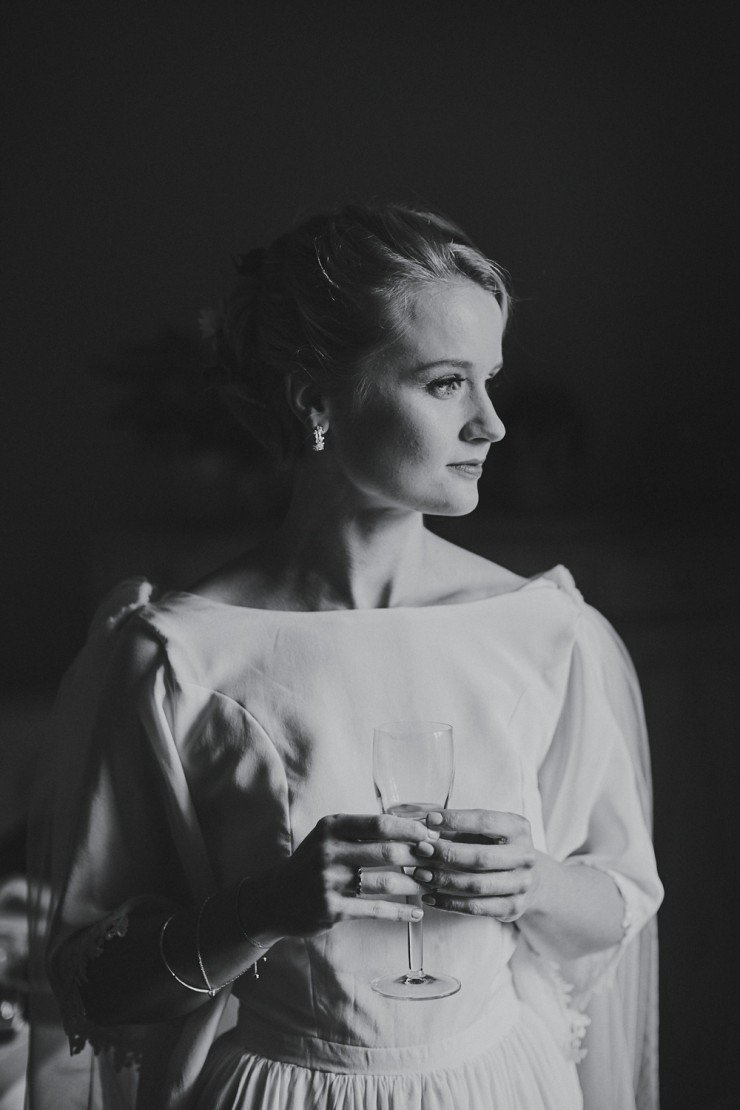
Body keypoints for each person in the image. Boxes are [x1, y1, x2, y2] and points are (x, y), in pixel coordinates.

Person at [26, 202, 663, 1110]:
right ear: (315, 399)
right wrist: (263, 910)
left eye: (491, 381)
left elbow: (620, 904)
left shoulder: (544, 630)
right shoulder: (174, 656)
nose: (492, 425)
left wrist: (537, 881)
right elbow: (95, 985)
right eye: (446, 384)